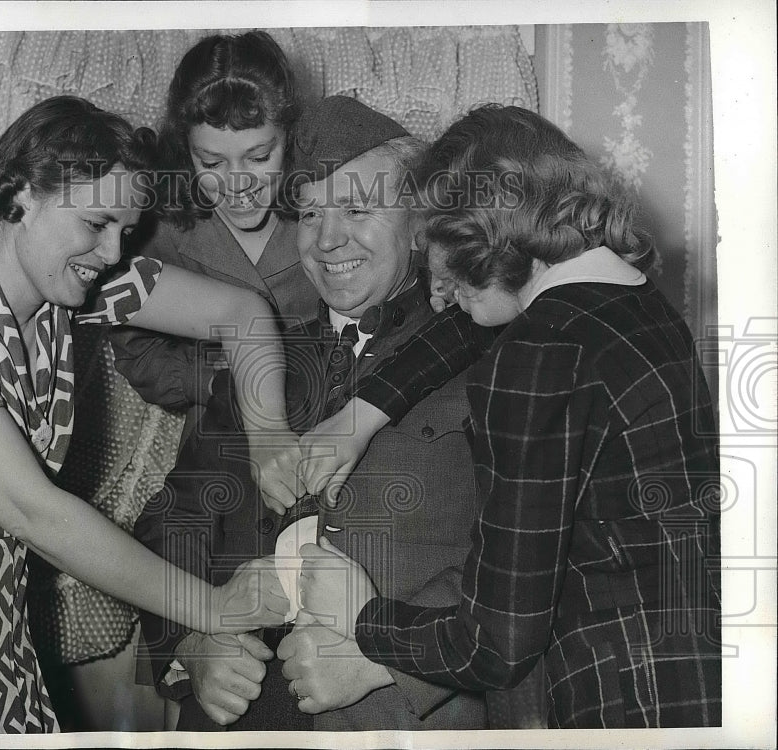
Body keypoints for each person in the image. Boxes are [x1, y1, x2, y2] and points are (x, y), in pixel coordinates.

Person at [0, 95, 294, 735]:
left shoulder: (64, 295)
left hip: (1, 616)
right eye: (97, 222)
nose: (110, 250)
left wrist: (268, 438)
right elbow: (31, 510)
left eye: (125, 230)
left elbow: (243, 316)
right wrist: (207, 607)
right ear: (24, 192)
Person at [296, 104, 723, 728]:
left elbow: (495, 644)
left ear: (481, 233)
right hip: (700, 684)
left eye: (437, 241)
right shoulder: (637, 307)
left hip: (619, 708)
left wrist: (365, 619)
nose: (436, 276)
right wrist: (365, 412)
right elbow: (475, 328)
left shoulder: (534, 356)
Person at [133, 96, 490, 732]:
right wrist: (192, 640)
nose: (328, 240)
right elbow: (175, 521)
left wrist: (390, 662)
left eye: (358, 209)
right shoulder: (257, 363)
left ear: (420, 223)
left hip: (406, 719)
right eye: (309, 213)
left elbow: (537, 550)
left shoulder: (488, 348)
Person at [108, 31, 319, 465]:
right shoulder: (157, 231)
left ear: (292, 138)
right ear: (185, 152)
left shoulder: (327, 206)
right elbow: (137, 352)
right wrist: (218, 381)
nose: (237, 183)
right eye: (212, 163)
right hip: (218, 441)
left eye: (259, 158)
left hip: (332, 426)